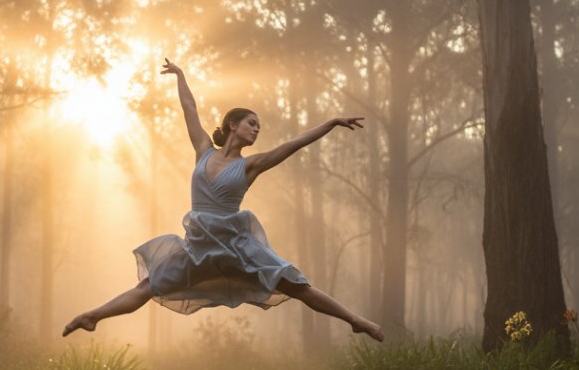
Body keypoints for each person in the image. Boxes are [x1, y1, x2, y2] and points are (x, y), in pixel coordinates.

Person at [62, 58, 384, 342]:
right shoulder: (203, 151)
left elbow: (294, 144)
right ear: (233, 125)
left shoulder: (251, 164)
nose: (256, 130)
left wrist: (330, 124)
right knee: (146, 288)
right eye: (252, 123)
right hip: (198, 250)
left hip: (237, 251)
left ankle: (356, 321)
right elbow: (190, 109)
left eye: (259, 127)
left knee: (296, 286)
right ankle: (93, 316)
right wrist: (180, 75)